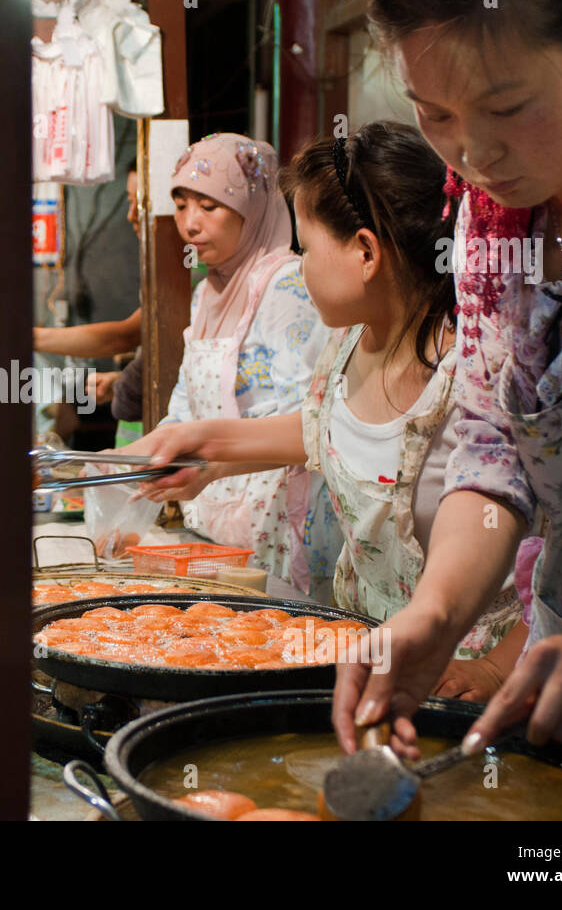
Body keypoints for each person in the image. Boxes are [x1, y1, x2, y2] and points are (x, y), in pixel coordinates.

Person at [330, 0, 562, 780]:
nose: (474, 150)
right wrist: (436, 611)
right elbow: (494, 455)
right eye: (435, 114)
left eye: (507, 106)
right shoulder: (494, 237)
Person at [131, 122, 528, 695]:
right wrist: (204, 449)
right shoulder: (348, 344)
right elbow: (322, 431)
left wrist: (492, 669)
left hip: (466, 681)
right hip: (362, 659)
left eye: (305, 246)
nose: (298, 262)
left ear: (365, 253)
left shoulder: (479, 371)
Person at [126, 133, 340, 600]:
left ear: (252, 207)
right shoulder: (207, 293)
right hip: (216, 522)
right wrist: (116, 467)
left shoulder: (287, 285)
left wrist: (209, 460)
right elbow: (184, 407)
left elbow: (312, 423)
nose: (189, 224)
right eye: (181, 205)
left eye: (209, 206)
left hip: (280, 526)